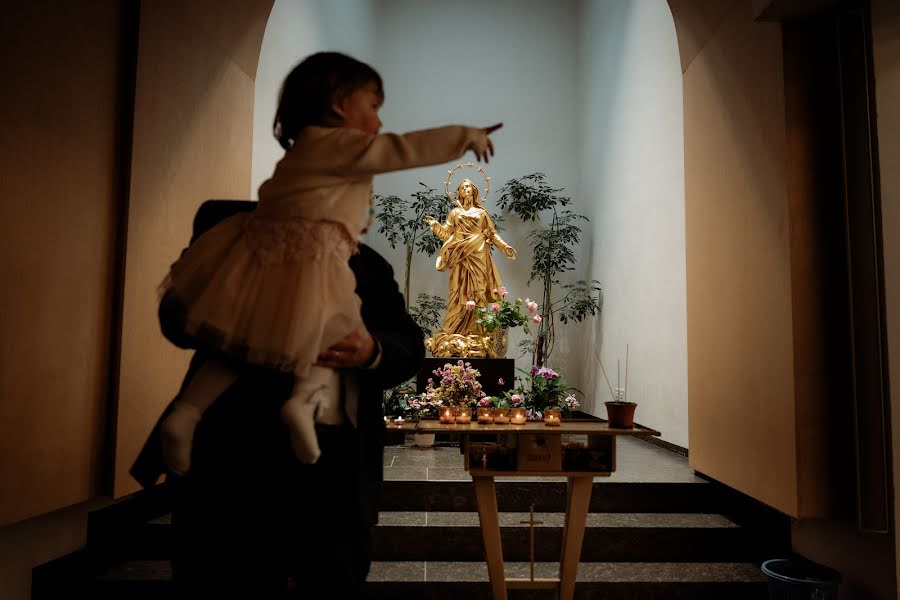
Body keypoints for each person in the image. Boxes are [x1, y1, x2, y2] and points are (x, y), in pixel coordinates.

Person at [157, 51, 502, 474]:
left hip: (336, 470)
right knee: (331, 324)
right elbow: (402, 149)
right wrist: (465, 135)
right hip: (239, 459)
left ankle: (187, 412)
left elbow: (406, 346)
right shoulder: (338, 148)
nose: (377, 123)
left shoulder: (303, 163)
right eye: (373, 108)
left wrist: (372, 351)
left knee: (236, 348)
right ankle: (302, 403)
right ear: (339, 104)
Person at [131, 199, 426, 598]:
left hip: (338, 479)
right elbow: (175, 321)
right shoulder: (234, 231)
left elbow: (407, 346)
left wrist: (371, 349)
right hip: (232, 467)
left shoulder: (368, 264)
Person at [424, 178, 516, 357]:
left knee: (478, 292)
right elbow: (446, 233)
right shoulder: (455, 213)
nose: (466, 189)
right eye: (463, 187)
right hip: (460, 255)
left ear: (474, 191)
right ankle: (453, 329)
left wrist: (504, 247)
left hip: (479, 254)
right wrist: (435, 226)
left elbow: (493, 233)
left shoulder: (482, 214)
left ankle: (479, 333)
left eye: (469, 187)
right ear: (458, 192)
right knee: (457, 291)